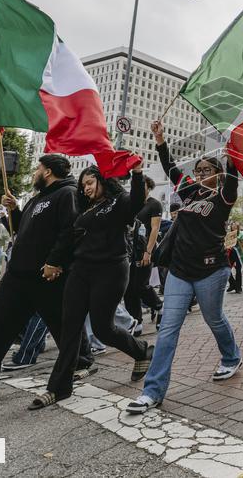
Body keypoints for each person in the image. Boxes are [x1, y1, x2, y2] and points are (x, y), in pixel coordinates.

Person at [0, 154, 95, 411]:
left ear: (47, 172)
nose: (35, 172)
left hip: (47, 277)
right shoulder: (38, 197)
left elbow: (69, 230)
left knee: (62, 325)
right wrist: (13, 210)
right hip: (17, 277)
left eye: (38, 168)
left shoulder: (67, 193)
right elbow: (23, 229)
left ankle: (81, 362)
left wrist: (54, 261)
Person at [124, 124, 243, 414]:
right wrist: (160, 140)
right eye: (199, 170)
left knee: (214, 319)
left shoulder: (223, 197)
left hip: (212, 272)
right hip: (179, 272)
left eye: (207, 170)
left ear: (218, 175)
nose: (201, 174)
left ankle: (231, 357)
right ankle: (152, 392)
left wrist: (230, 158)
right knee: (167, 331)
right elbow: (171, 167)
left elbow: (233, 178)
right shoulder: (188, 192)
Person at [28, 162, 153, 411]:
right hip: (80, 271)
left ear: (102, 180)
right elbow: (69, 240)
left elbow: (138, 201)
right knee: (70, 327)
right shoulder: (84, 209)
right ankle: (58, 388)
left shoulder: (120, 202)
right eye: (82, 185)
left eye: (89, 183)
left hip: (111, 271)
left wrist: (137, 173)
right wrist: (56, 263)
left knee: (103, 328)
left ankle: (141, 351)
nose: (84, 188)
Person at [124, 177, 163, 335]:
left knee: (141, 285)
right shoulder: (130, 203)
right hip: (128, 252)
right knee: (128, 289)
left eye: (142, 186)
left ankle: (160, 307)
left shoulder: (154, 204)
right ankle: (136, 321)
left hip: (144, 251)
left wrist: (148, 251)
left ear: (149, 187)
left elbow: (154, 229)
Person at [225, 223, 242, 294]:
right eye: (233, 225)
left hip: (238, 253)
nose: (234, 226)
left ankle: (238, 287)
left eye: (235, 225)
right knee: (227, 269)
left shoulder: (240, 234)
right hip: (230, 253)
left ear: (238, 227)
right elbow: (226, 244)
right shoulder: (229, 234)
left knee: (238, 269)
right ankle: (232, 284)